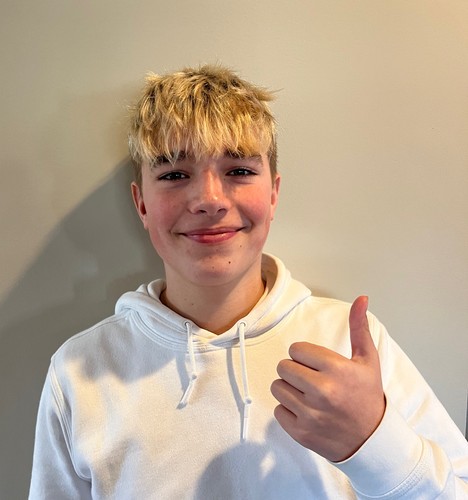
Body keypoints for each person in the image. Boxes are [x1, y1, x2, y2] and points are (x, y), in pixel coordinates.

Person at [29, 64, 468, 499]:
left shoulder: (350, 347)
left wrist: (372, 443)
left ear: (273, 193)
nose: (209, 200)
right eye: (174, 174)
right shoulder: (79, 371)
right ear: (141, 203)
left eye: (238, 171)